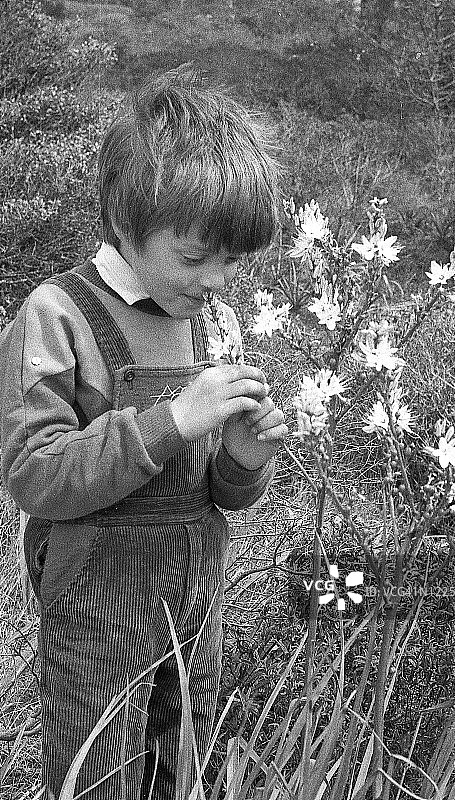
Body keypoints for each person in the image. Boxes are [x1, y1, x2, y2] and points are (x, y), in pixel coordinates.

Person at [0, 67, 287, 799]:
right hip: (97, 596)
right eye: (194, 257)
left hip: (195, 594)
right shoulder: (55, 315)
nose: (216, 280)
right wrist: (171, 421)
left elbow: (216, 492)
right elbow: (35, 477)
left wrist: (243, 461)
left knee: (177, 758)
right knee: (99, 769)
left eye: (233, 260)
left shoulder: (205, 318)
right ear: (125, 224)